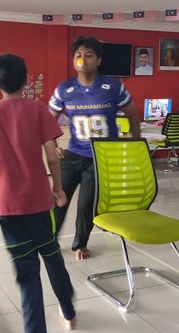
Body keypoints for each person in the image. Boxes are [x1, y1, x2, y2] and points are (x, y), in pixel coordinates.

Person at [0, 54, 76, 333]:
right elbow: (52, 156)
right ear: (27, 80)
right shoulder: (37, 109)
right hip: (37, 202)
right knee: (52, 257)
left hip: (5, 206)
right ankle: (68, 311)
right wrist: (58, 188)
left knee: (27, 272)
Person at [49, 36, 141, 260]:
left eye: (89, 55)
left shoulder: (114, 87)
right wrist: (53, 144)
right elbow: (48, 119)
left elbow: (133, 114)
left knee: (86, 205)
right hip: (73, 153)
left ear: (98, 60)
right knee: (57, 200)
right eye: (78, 55)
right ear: (73, 60)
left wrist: (134, 146)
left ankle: (80, 244)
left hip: (101, 158)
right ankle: (48, 242)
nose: (83, 59)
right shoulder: (65, 89)